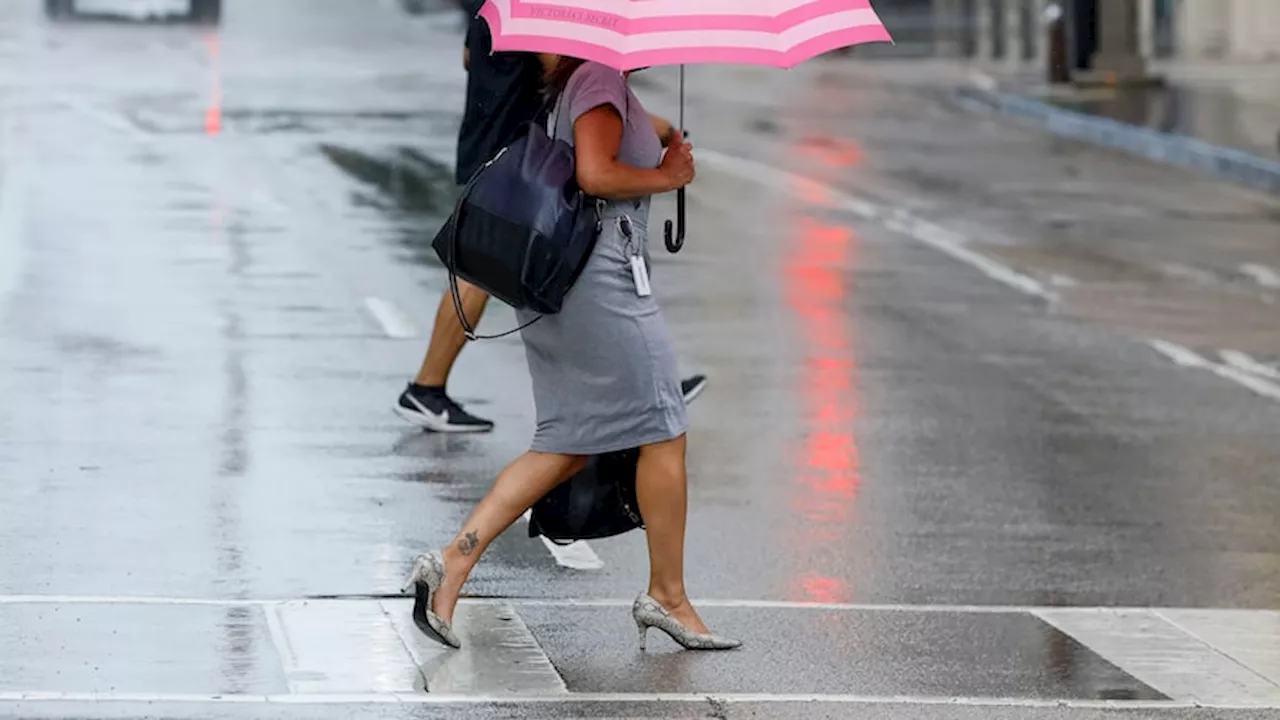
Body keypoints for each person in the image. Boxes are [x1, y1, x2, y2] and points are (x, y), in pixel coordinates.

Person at [402, 56, 740, 652]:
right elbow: (595, 174)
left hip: (571, 282)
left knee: (565, 443)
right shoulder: (599, 80)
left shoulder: (584, 83)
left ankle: (450, 567)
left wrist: (659, 141)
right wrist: (667, 177)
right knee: (663, 426)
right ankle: (668, 596)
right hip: (601, 284)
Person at [394, 15, 708, 434]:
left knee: (515, 268)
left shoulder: (508, 10)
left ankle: (641, 379)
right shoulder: (549, 18)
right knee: (487, 273)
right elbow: (569, 68)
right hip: (520, 154)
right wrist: (647, 119)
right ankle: (427, 385)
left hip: (500, 144)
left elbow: (472, 57)